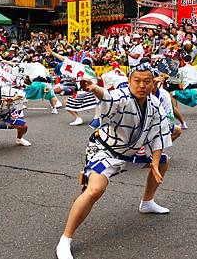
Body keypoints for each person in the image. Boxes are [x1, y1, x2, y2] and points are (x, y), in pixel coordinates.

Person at [55, 63, 173, 259]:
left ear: (154, 84)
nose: (141, 85)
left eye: (147, 81)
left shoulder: (155, 104)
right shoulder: (122, 95)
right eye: (137, 81)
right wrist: (94, 88)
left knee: (162, 161)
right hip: (105, 150)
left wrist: (154, 161)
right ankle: (65, 239)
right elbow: (108, 97)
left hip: (131, 151)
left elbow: (157, 134)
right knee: (95, 189)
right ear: (129, 81)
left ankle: (147, 202)